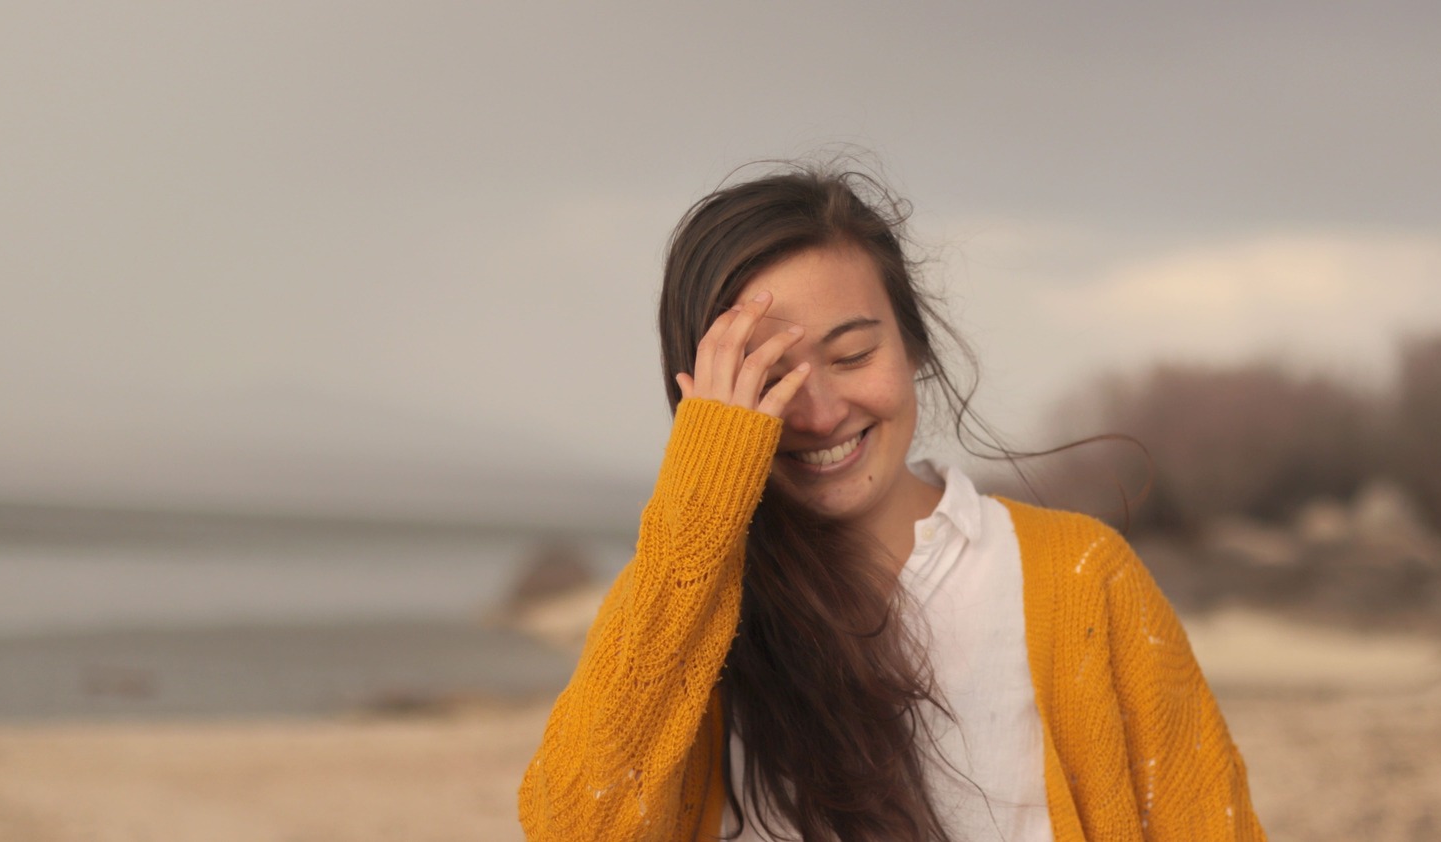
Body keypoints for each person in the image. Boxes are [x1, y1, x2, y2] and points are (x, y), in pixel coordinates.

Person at [519, 163, 1265, 841]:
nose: (817, 413)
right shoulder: (678, 604)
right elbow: (576, 825)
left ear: (913, 347)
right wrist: (702, 505)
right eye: (768, 377)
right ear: (707, 401)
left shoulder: (1080, 577)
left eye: (852, 356)